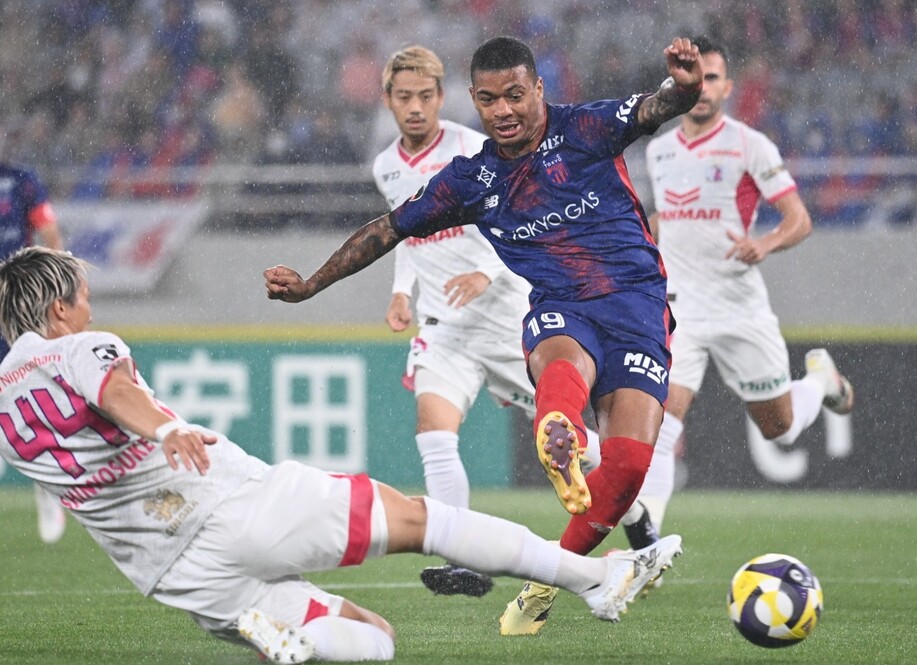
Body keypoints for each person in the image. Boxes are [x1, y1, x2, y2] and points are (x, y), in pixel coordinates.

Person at [0, 246, 683, 664]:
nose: (90, 312)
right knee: (421, 519)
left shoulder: (6, 404)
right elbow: (116, 390)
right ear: (57, 310)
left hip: (176, 576)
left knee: (373, 637)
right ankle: (594, 580)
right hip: (231, 506)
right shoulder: (80, 348)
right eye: (83, 301)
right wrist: (164, 429)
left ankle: (289, 640)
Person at [264, 35, 704, 635]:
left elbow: (657, 107)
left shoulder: (586, 128)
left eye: (515, 96)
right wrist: (312, 283)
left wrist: (685, 86)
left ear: (539, 89)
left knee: (627, 467)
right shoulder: (473, 178)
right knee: (560, 365)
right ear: (474, 99)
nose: (504, 111)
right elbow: (388, 229)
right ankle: (561, 432)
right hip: (559, 310)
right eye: (490, 100)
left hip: (638, 308)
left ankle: (543, 585)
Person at [637, 36, 855, 542]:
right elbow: (668, 217)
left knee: (779, 427)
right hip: (679, 308)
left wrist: (766, 243)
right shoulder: (659, 150)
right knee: (662, 423)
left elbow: (799, 220)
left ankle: (820, 383)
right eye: (696, 79)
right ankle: (648, 549)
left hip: (738, 306)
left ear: (727, 87)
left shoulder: (749, 145)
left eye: (713, 78)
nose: (703, 88)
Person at [373, 45, 558, 598]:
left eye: (424, 96)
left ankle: (637, 509)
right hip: (444, 326)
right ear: (388, 100)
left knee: (563, 435)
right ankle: (462, 559)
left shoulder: (472, 147)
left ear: (440, 97)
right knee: (434, 434)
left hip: (502, 317)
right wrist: (401, 292)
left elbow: (519, 215)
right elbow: (408, 231)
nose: (415, 107)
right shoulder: (385, 167)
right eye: (404, 97)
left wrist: (484, 272)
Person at [0, 157, 67, 545]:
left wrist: (54, 286)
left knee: (33, 397)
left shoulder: (21, 180)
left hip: (16, 305)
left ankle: (47, 485)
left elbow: (50, 232)